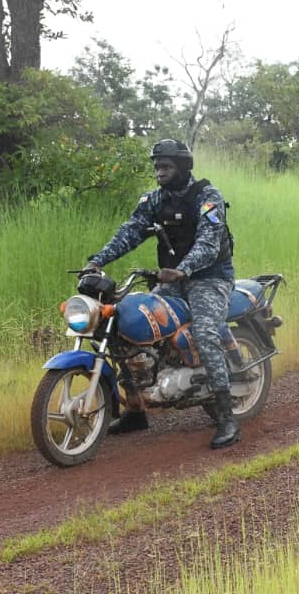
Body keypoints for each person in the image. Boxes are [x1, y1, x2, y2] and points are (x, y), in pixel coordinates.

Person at [84, 139, 241, 450]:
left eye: (166, 166)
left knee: (207, 332)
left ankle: (226, 416)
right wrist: (97, 260)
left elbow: (209, 244)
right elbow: (131, 230)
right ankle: (136, 410)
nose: (160, 172)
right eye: (157, 166)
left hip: (209, 278)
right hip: (171, 278)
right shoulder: (155, 200)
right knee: (127, 326)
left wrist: (183, 269)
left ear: (183, 168)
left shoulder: (207, 197)